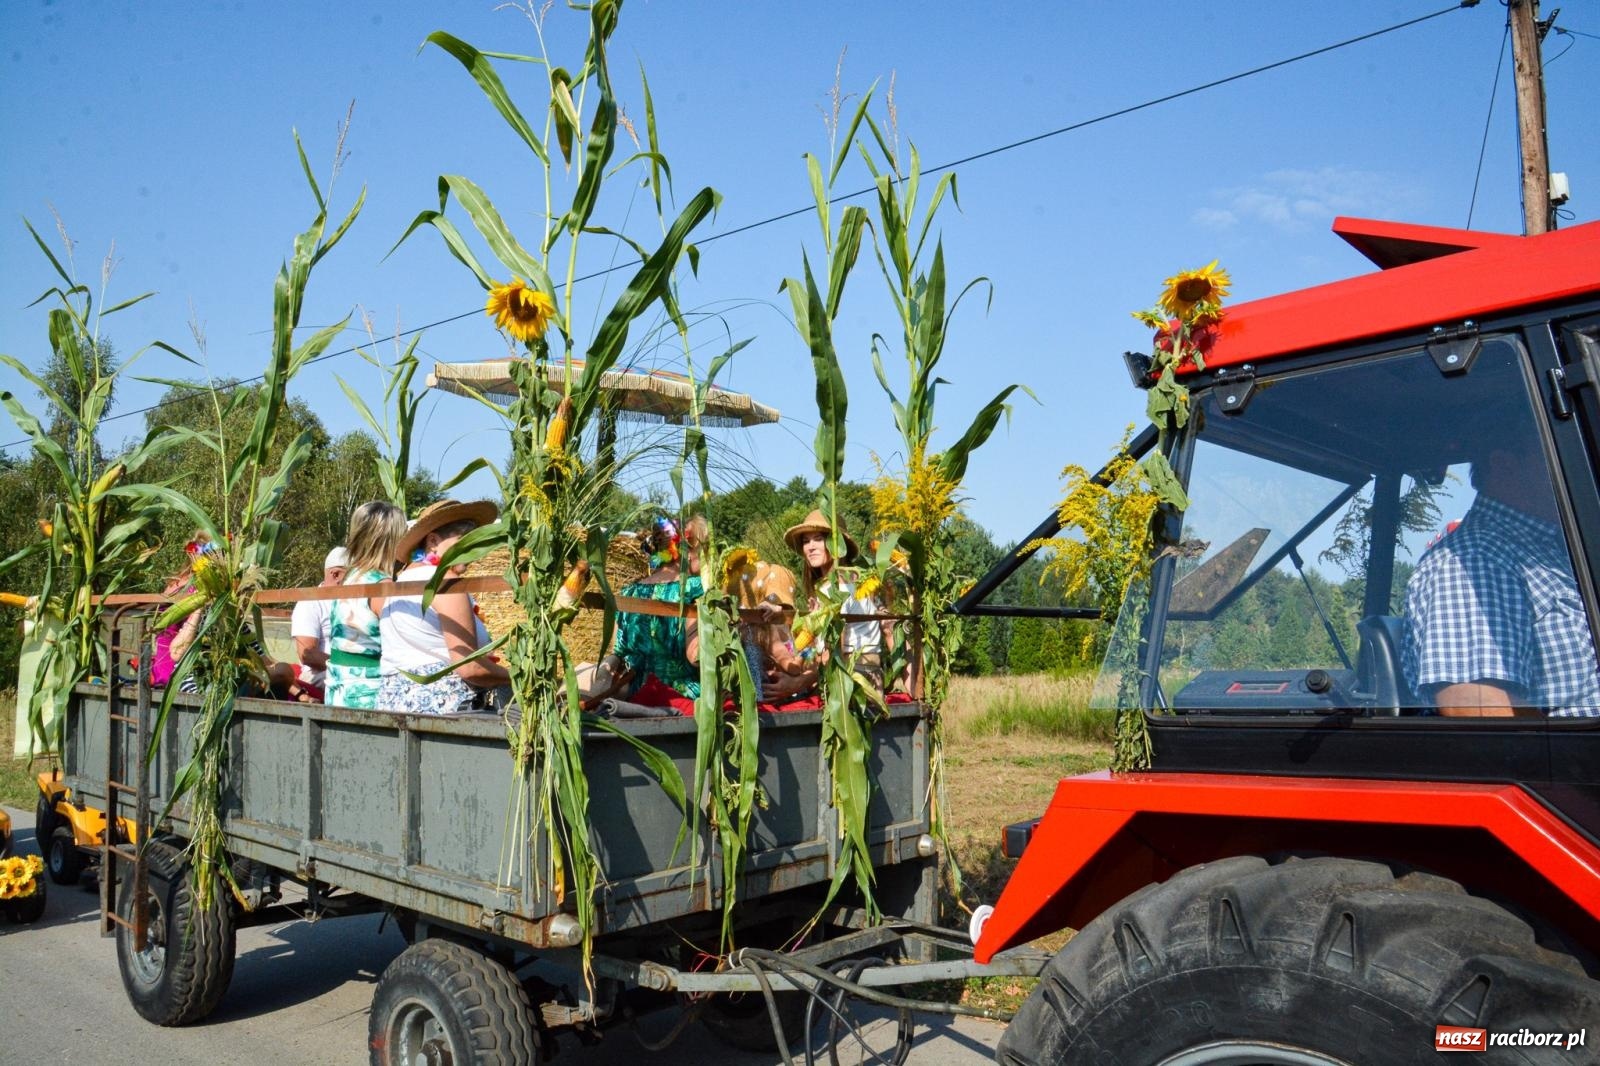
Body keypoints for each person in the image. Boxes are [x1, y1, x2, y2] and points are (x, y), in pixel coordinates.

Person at [1402, 439, 1600, 717]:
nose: (1582, 464)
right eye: (1561, 450)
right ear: (1503, 463)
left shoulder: (1554, 551)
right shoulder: (1474, 559)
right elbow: (1477, 713)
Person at [378, 499, 510, 714]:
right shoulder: (444, 582)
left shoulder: (399, 583)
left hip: (393, 705)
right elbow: (470, 668)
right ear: (433, 541)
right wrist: (519, 677)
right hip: (443, 708)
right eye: (463, 542)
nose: (473, 552)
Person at [589, 515, 705, 702]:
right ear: (689, 552)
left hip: (632, 698)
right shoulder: (695, 589)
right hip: (681, 700)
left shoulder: (627, 593)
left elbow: (617, 650)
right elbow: (696, 656)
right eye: (704, 550)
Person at [786, 508, 892, 688]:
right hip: (866, 676)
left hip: (853, 682)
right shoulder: (856, 582)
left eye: (818, 539)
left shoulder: (838, 589)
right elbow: (818, 650)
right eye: (806, 541)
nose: (810, 547)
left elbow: (833, 657)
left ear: (837, 545)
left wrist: (795, 684)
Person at [327, 501, 407, 709]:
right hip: (366, 690)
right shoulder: (382, 585)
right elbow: (397, 644)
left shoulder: (350, 578)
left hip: (337, 683)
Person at [726, 552, 817, 702]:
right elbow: (788, 663)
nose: (781, 611)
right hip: (762, 694)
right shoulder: (757, 630)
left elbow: (783, 654)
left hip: (762, 693)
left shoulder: (759, 629)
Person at [288, 546, 347, 703]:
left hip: (347, 670)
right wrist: (347, 663)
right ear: (335, 574)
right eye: (352, 577)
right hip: (321, 674)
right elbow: (307, 654)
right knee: (351, 686)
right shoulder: (310, 603)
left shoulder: (352, 602)